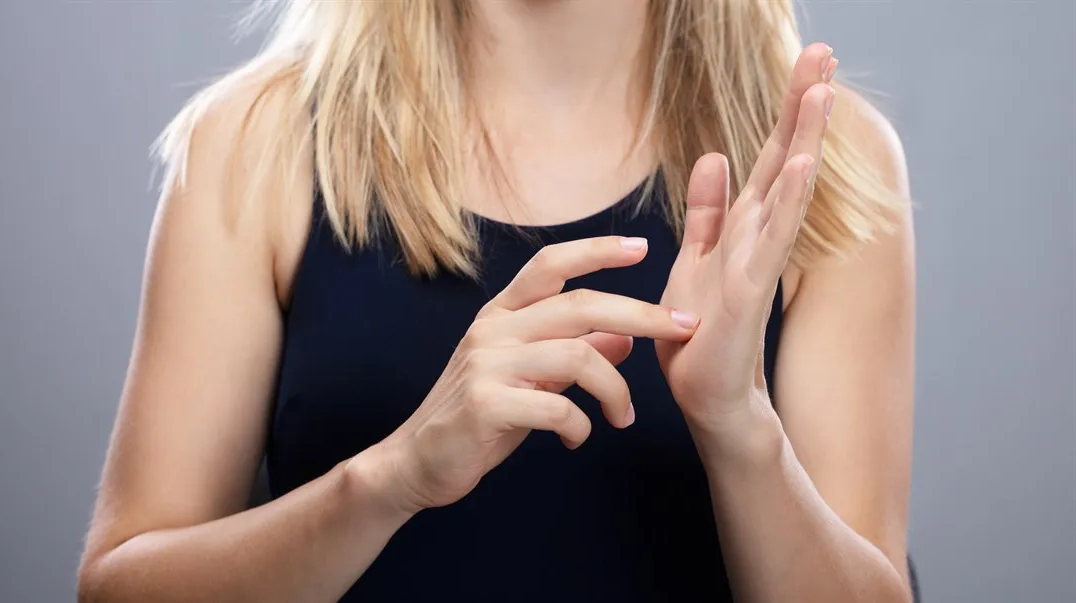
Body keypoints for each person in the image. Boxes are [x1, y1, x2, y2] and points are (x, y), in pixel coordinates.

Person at [77, 1, 916, 601]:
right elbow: (120, 584)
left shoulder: (830, 166)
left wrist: (740, 430)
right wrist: (391, 478)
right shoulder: (255, 143)